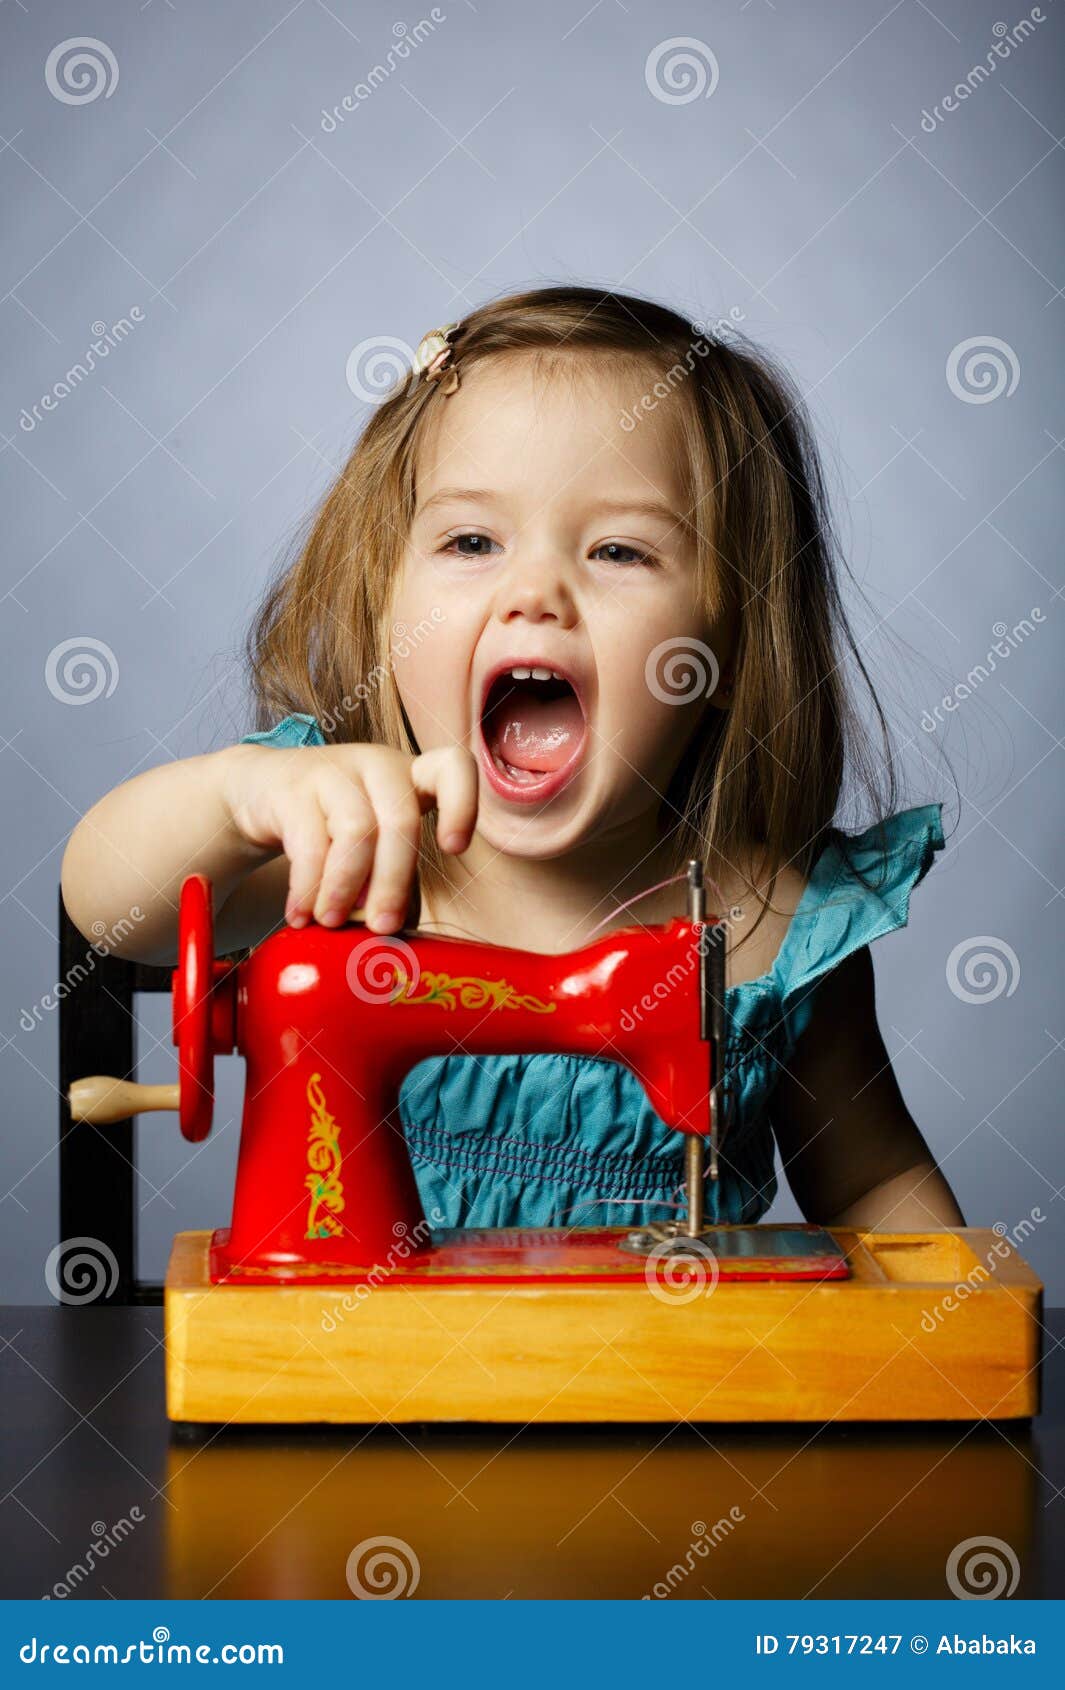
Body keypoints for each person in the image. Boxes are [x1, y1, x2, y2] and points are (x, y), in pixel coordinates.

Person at [61, 285, 965, 1235]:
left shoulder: (775, 926)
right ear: (385, 608)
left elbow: (871, 1183)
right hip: (380, 1377)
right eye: (471, 541)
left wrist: (953, 1334)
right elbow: (109, 907)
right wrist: (242, 796)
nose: (533, 592)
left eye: (618, 551)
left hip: (673, 1379)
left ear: (731, 648)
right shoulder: (340, 849)